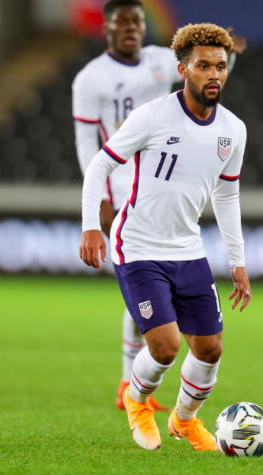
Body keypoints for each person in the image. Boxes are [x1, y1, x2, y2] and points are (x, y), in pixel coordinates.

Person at [79, 23, 252, 451]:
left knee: (210, 349)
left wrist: (238, 261)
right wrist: (90, 226)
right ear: (183, 70)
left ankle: (184, 420)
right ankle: (137, 401)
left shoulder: (233, 130)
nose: (214, 74)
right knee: (165, 348)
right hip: (138, 246)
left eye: (220, 66)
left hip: (188, 249)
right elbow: (100, 165)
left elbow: (227, 195)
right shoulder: (153, 116)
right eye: (203, 66)